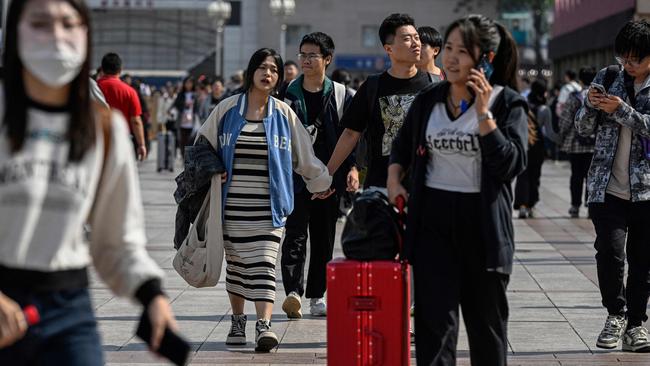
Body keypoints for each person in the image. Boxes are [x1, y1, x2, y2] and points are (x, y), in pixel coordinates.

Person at [0, 0, 178, 364]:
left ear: (85, 34)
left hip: (68, 311)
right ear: (15, 33)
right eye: (40, 23)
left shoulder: (103, 129)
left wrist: (153, 296)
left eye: (69, 24)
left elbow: (117, 241)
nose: (57, 36)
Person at [387, 14, 527, 365]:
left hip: (484, 230)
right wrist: (393, 178)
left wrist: (483, 114)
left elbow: (510, 164)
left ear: (486, 59)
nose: (450, 58)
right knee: (434, 331)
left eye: (462, 51)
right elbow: (402, 147)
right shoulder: (429, 100)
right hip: (432, 224)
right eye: (447, 48)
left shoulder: (507, 104)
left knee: (486, 331)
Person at [196, 48, 332, 352]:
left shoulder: (284, 114)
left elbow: (304, 156)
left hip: (269, 209)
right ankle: (238, 320)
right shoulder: (228, 109)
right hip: (232, 208)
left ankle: (263, 326)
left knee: (265, 264)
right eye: (261, 67)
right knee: (237, 267)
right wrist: (213, 168)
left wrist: (322, 182)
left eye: (273, 69)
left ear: (279, 77)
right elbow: (202, 144)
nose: (267, 73)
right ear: (250, 72)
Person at [575, 19, 650, 352]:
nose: (627, 65)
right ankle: (615, 314)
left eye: (635, 59)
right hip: (606, 187)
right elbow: (581, 127)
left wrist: (622, 110)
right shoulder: (608, 77)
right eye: (624, 57)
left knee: (643, 259)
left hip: (647, 190)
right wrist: (591, 105)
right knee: (609, 252)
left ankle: (636, 324)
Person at [279, 32, 354, 319]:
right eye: (303, 54)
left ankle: (316, 296)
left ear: (327, 59)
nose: (306, 60)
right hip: (296, 179)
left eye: (312, 55)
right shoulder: (287, 93)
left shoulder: (340, 94)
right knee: (295, 236)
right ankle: (293, 293)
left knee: (323, 239)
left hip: (330, 180)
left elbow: (352, 136)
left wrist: (349, 173)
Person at [322, 13, 429, 193]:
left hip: (425, 188)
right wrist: (327, 175)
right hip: (381, 187)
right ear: (389, 49)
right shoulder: (372, 87)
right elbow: (350, 134)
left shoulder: (433, 84)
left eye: (417, 38)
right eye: (407, 39)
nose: (416, 43)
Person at [559, 66, 597, 218]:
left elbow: (566, 119)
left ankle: (575, 206)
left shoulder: (574, 97)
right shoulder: (599, 97)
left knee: (576, 175)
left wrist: (561, 134)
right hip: (595, 145)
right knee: (592, 176)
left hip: (576, 144)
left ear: (580, 80)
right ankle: (590, 206)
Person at [97, 53, 147, 160]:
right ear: (120, 70)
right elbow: (136, 121)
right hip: (122, 141)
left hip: (97, 142)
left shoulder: (93, 88)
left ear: (102, 69)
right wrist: (141, 144)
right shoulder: (130, 92)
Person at [514, 79, 550, 218]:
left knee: (522, 175)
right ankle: (531, 205)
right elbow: (550, 132)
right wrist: (561, 140)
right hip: (538, 146)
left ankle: (522, 204)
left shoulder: (523, 104)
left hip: (523, 143)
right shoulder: (544, 109)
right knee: (535, 176)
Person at [171, 76, 198, 157]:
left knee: (192, 139)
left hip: (192, 120)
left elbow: (198, 107)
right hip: (182, 119)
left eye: (190, 83)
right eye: (187, 83)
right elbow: (176, 105)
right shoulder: (181, 94)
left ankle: (189, 157)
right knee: (182, 140)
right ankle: (183, 156)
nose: (189, 85)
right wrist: (184, 105)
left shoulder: (195, 94)